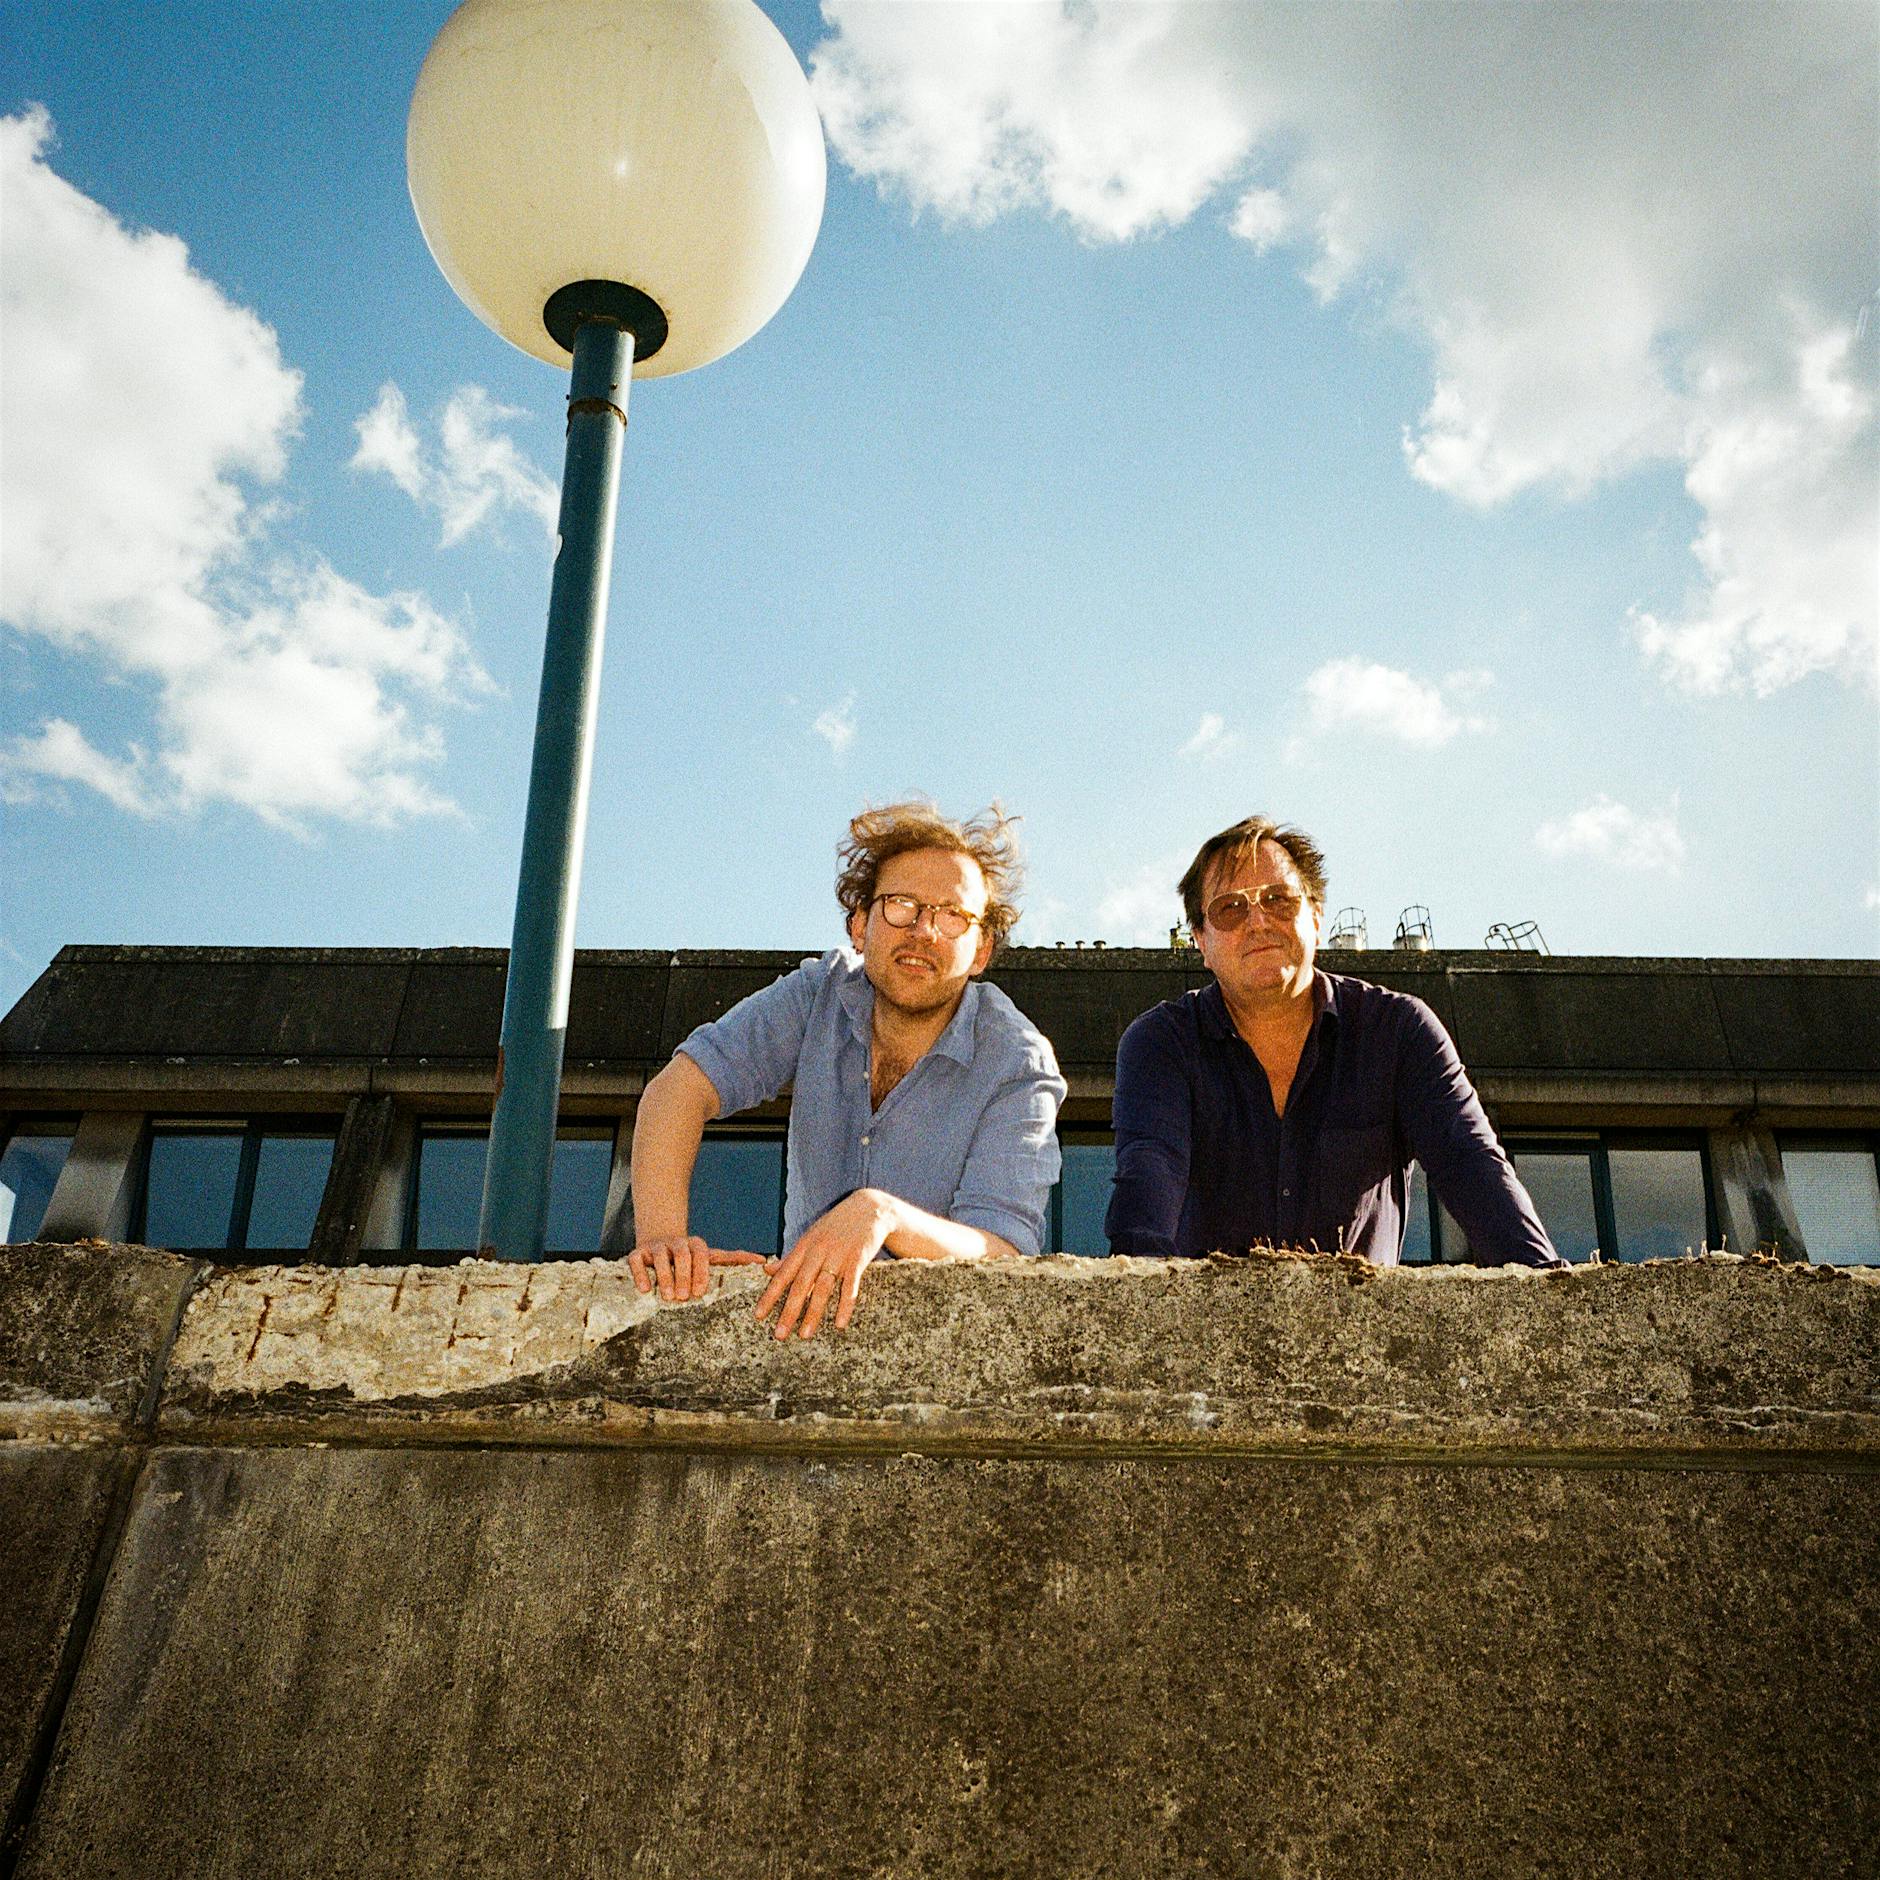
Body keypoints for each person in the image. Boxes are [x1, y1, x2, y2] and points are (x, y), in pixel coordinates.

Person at [628, 800, 1067, 1337]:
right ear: (860, 926)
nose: (925, 931)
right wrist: (661, 1238)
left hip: (943, 1346)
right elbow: (680, 1087)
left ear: (981, 951)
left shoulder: (1018, 1061)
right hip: (799, 1333)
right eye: (901, 905)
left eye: (953, 916)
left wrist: (883, 1214)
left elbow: (1002, 1251)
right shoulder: (820, 993)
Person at [1106, 815, 1562, 1268]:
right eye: (1231, 908)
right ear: (1200, 941)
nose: (1259, 921)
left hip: (1364, 1335)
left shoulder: (1399, 1031)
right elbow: (1149, 1178)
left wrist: (1548, 1300)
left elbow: (1472, 1166)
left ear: (1317, 918)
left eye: (1279, 899)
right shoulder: (1160, 1044)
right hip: (1204, 1335)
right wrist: (1133, 1300)